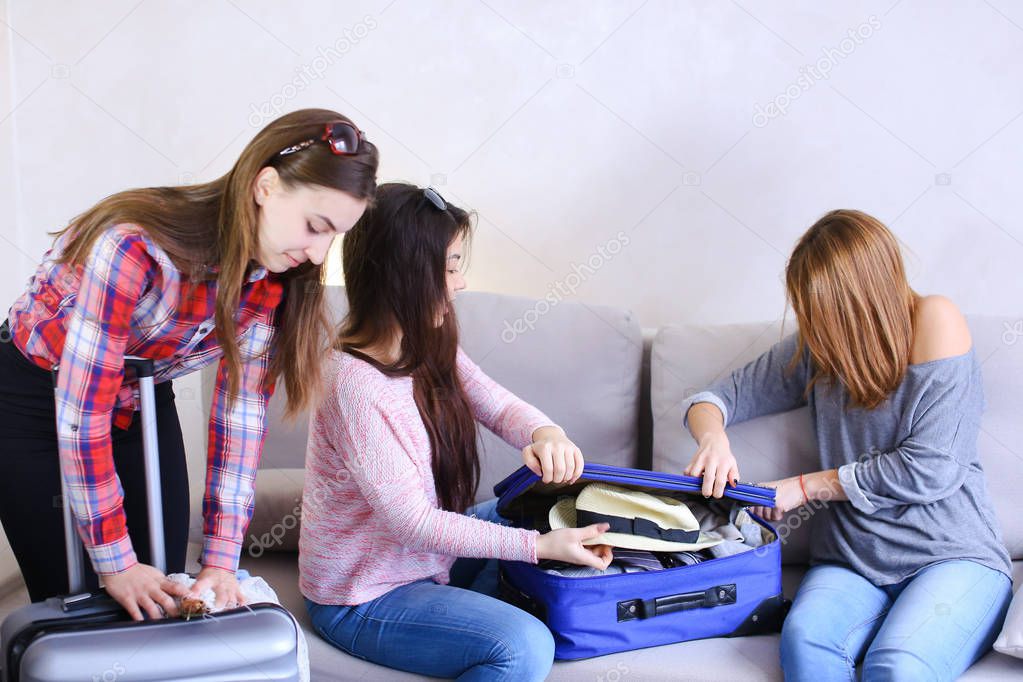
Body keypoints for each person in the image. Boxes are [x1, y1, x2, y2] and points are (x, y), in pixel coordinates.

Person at [0, 108, 378, 621]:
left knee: (164, 587)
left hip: (141, 396)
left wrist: (222, 560)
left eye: (333, 237)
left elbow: (239, 421)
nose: (317, 254)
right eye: (315, 226)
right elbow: (82, 413)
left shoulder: (270, 283)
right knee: (80, 595)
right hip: (30, 399)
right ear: (265, 186)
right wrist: (115, 562)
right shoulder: (131, 245)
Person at [680, 209, 1012, 680]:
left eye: (826, 315)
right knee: (807, 650)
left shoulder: (935, 319)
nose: (815, 330)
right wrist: (713, 439)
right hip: (850, 563)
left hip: (950, 556)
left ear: (866, 300)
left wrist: (804, 486)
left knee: (896, 666)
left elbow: (933, 467)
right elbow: (713, 398)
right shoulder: (820, 347)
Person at [299, 183, 612, 680]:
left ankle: (473, 607)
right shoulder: (354, 384)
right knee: (526, 647)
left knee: (537, 516)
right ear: (403, 274)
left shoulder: (425, 342)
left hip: (425, 562)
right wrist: (538, 548)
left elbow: (494, 401)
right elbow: (414, 523)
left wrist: (546, 432)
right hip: (363, 596)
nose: (461, 282)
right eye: (451, 265)